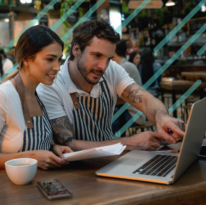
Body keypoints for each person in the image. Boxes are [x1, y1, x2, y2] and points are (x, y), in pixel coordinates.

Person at [37, 20, 185, 152]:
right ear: (76, 49)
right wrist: (128, 143)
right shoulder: (51, 86)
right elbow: (69, 145)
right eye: (96, 55)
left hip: (112, 160)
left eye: (108, 59)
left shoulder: (111, 69)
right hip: (76, 170)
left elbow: (145, 100)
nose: (103, 66)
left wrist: (161, 117)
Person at [0, 25, 72, 172]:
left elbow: (35, 143)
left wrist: (54, 149)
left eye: (59, 60)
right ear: (26, 59)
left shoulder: (40, 94)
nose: (57, 67)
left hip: (33, 184)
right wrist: (30, 157)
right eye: (50, 59)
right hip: (2, 188)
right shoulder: (1, 97)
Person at [112, 40, 146, 129]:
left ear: (113, 51)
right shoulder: (123, 65)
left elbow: (113, 94)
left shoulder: (125, 67)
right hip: (125, 111)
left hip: (133, 115)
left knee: (100, 128)